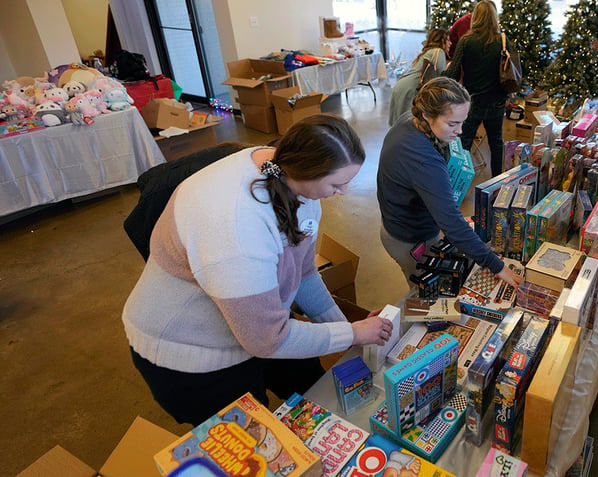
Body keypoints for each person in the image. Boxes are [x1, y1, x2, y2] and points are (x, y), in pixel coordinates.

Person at [122, 114, 394, 426]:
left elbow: (304, 274)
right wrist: (350, 333)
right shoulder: (236, 225)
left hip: (257, 321)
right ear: (307, 170)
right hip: (194, 356)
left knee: (315, 390)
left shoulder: (289, 177)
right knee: (256, 438)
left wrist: (347, 330)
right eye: (337, 184)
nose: (343, 192)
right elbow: (267, 341)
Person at [377, 77, 522, 289]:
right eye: (452, 124)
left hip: (403, 222)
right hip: (409, 237)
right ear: (427, 115)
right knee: (426, 292)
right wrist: (497, 266)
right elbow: (452, 224)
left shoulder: (412, 119)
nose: (460, 131)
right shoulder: (423, 159)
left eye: (463, 122)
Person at [444, 0, 516, 177]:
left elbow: (452, 73)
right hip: (496, 102)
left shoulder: (466, 41)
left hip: (471, 102)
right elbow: (515, 68)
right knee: (496, 142)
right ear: (494, 17)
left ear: (475, 17)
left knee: (464, 144)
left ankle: (456, 185)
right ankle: (497, 182)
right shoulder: (503, 40)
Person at [388, 29, 450, 127]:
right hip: (411, 88)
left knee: (400, 126)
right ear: (442, 41)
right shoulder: (439, 52)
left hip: (402, 86)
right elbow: (440, 78)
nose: (450, 44)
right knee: (409, 125)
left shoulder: (428, 52)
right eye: (448, 40)